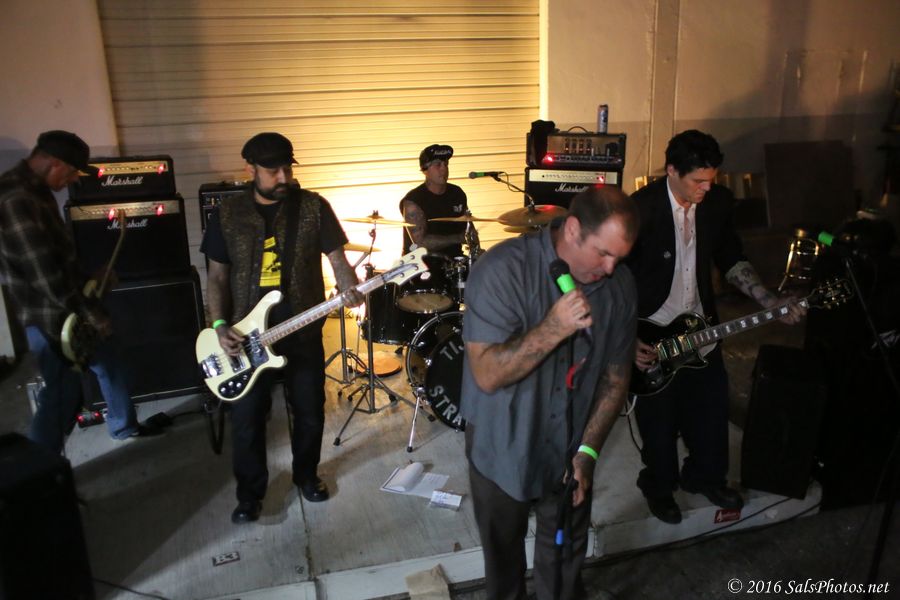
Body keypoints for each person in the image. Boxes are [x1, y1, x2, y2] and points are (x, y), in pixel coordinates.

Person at [460, 186, 639, 600]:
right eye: (603, 253)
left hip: (571, 449)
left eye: (619, 258)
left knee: (562, 568)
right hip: (502, 447)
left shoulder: (620, 286)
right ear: (573, 230)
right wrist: (553, 329)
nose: (610, 268)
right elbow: (487, 374)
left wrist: (587, 453)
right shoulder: (502, 271)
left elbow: (615, 378)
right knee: (503, 566)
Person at [626, 130, 805, 524]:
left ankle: (705, 477)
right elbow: (615, 278)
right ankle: (659, 486)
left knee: (710, 411)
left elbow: (730, 256)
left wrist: (766, 299)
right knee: (658, 425)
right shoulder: (640, 210)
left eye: (711, 179)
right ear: (672, 171)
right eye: (698, 181)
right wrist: (626, 337)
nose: (706, 188)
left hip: (701, 328)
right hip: (653, 333)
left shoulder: (717, 203)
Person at [201, 132, 364, 524]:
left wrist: (349, 287)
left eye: (287, 168)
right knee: (247, 420)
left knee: (309, 411)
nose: (283, 177)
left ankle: (306, 475)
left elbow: (338, 260)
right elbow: (217, 278)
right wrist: (219, 325)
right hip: (246, 337)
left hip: (301, 329)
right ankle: (250, 495)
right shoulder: (228, 214)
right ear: (250, 170)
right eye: (272, 170)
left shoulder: (313, 207)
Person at [0, 130, 159, 454]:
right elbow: (45, 277)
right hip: (50, 318)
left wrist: (90, 278)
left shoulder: (37, 191)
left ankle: (123, 425)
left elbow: (55, 258)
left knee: (108, 360)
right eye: (73, 172)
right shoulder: (16, 199)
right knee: (61, 395)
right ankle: (39, 469)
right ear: (54, 163)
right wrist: (91, 312)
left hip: (71, 305)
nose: (74, 179)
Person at [399, 144, 469, 256]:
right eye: (438, 164)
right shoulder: (413, 200)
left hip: (455, 260)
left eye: (446, 164)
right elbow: (420, 243)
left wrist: (476, 250)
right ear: (425, 169)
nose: (444, 169)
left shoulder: (457, 193)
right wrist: (457, 238)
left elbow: (469, 227)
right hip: (422, 262)